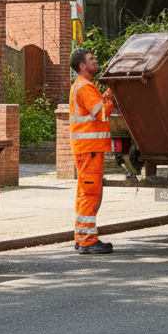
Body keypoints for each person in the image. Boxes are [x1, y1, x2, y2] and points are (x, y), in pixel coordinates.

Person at [69, 48, 115, 254]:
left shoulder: (84, 86)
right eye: (91, 59)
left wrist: (105, 95)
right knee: (91, 193)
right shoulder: (85, 87)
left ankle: (82, 236)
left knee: (84, 192)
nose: (95, 61)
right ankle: (88, 240)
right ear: (82, 66)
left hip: (87, 149)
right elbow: (101, 113)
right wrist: (111, 100)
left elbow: (95, 106)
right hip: (90, 150)